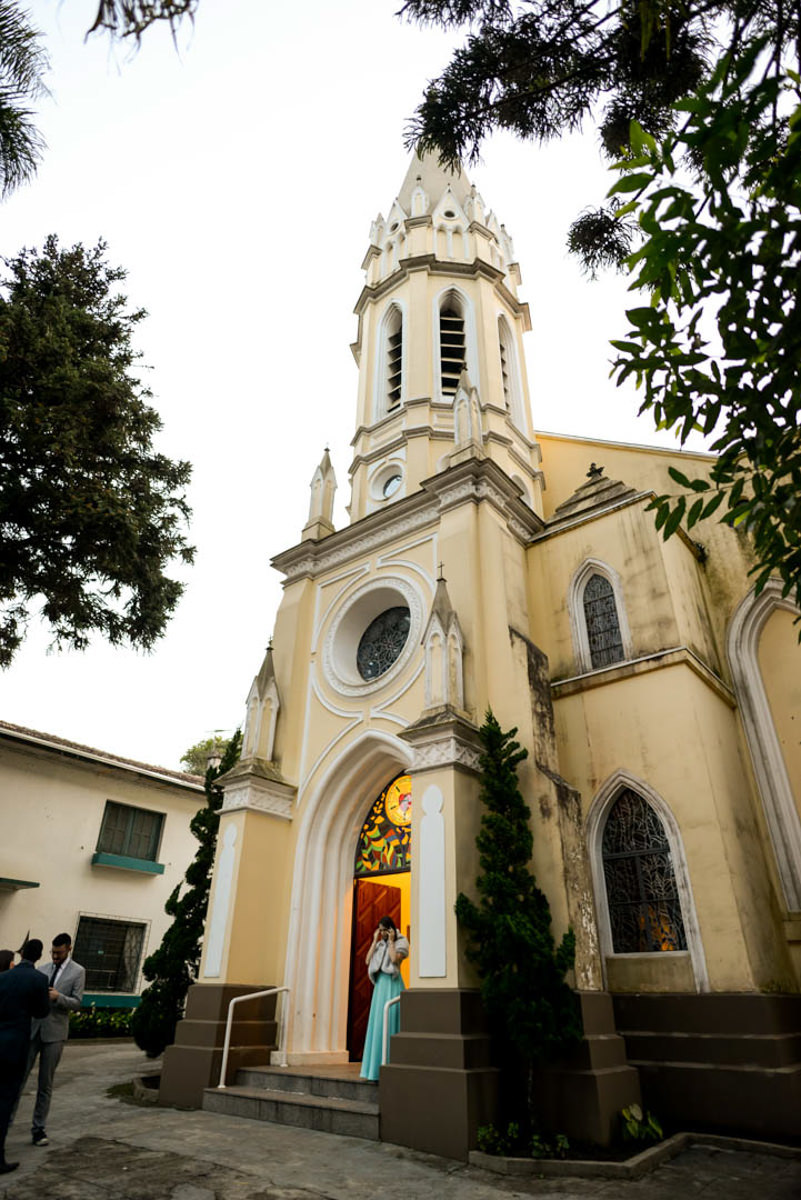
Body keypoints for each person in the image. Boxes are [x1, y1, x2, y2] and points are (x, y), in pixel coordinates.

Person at [21, 932, 85, 1148]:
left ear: (68, 948)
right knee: (19, 1077)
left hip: (55, 1032)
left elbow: (77, 1003)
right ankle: (7, 1121)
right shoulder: (43, 969)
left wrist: (59, 998)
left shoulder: (78, 972)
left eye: (59, 952)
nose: (55, 956)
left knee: (45, 1084)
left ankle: (38, 1128)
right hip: (33, 1029)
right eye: (53, 952)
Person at [0, 939, 49, 1174]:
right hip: (15, 1046)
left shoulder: (3, 977)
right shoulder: (39, 979)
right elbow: (41, 1011)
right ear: (39, 956)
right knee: (5, 1099)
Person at [359, 915, 409, 1082]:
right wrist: (375, 941)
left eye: (384, 930)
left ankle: (391, 1066)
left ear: (391, 929)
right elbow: (367, 961)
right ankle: (373, 1070)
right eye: (380, 931)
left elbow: (395, 959)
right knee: (378, 1025)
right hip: (380, 987)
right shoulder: (380, 944)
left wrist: (392, 942)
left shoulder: (402, 942)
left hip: (392, 985)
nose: (382, 933)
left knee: (390, 1023)